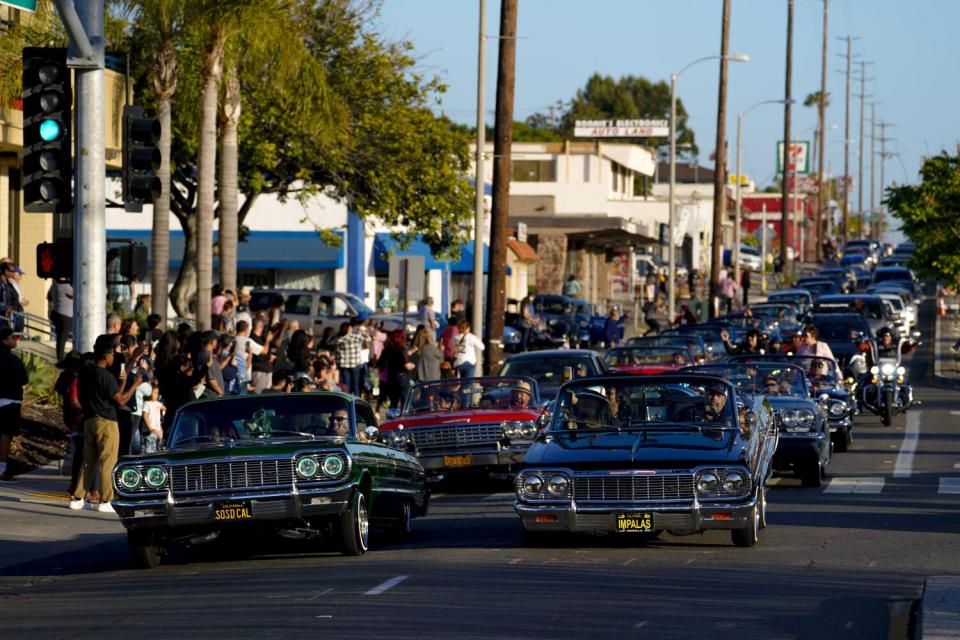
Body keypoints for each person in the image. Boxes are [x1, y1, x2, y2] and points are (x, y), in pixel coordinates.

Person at [69, 334, 143, 511]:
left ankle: (77, 498)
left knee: (89, 461)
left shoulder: (87, 371)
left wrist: (128, 365)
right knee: (107, 461)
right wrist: (136, 384)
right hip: (107, 422)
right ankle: (105, 500)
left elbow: (117, 387)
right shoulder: (106, 377)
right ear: (107, 356)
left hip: (90, 420)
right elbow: (121, 400)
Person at [0, 327, 27, 482]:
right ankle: (2, 469)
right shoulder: (13, 360)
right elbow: (24, 379)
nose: (14, 340)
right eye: (11, 337)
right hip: (10, 400)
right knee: (6, 435)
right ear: (4, 341)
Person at [334, 321, 368, 397]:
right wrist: (362, 331)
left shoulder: (338, 339)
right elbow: (368, 338)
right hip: (355, 363)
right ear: (349, 329)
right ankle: (356, 402)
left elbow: (329, 342)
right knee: (356, 384)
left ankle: (346, 400)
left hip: (343, 364)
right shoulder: (355, 337)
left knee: (346, 385)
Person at [47, 277, 74, 361]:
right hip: (65, 314)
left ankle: (60, 357)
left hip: (56, 312)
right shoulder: (64, 285)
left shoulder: (54, 284)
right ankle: (61, 358)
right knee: (63, 337)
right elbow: (78, 293)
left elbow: (49, 296)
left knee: (60, 337)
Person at [140, 381, 165, 453]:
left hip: (158, 431)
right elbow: (145, 416)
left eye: (157, 393)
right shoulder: (146, 404)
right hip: (150, 432)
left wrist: (160, 428)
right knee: (149, 450)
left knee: (158, 450)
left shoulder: (157, 403)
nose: (157, 395)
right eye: (155, 393)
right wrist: (150, 428)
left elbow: (163, 408)